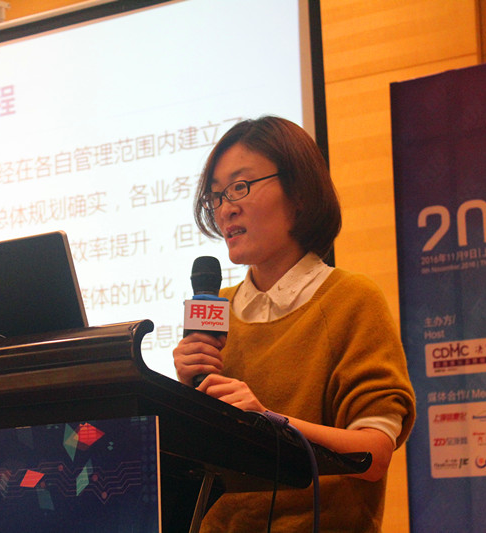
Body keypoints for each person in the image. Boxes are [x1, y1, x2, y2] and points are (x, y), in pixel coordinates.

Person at [173, 116, 416, 532]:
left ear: (299, 193)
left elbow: (373, 454)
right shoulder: (217, 307)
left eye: (240, 186)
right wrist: (185, 395)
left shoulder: (351, 300)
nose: (226, 207)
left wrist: (269, 424)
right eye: (216, 196)